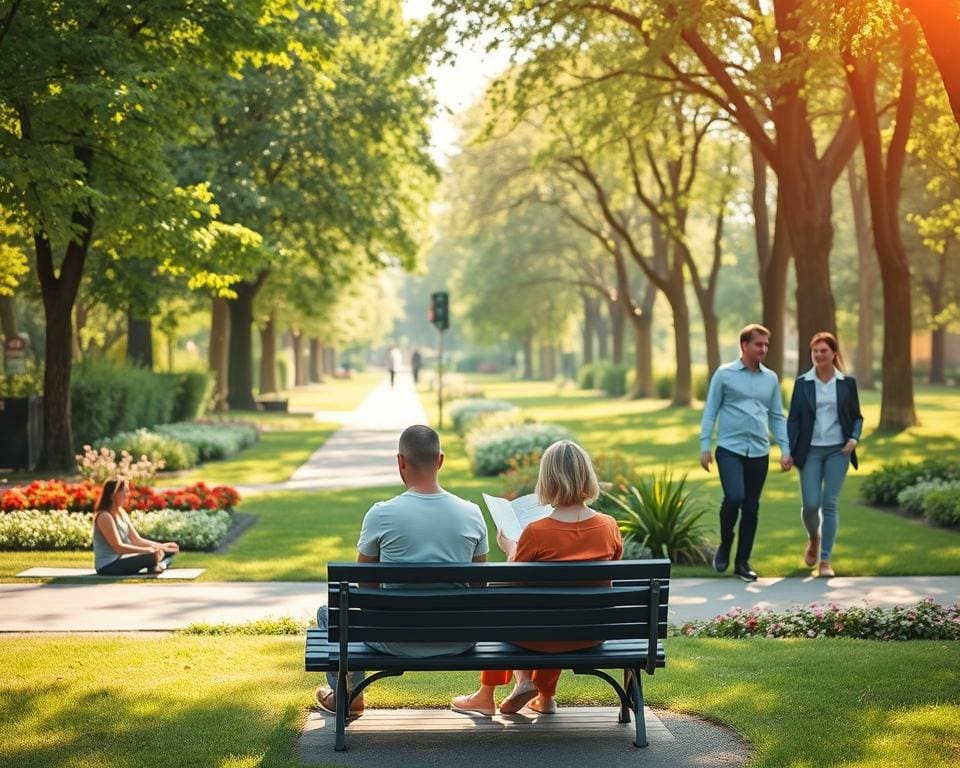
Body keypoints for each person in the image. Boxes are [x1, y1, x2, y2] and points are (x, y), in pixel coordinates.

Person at [314, 424, 488, 718]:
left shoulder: (381, 514)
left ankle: (349, 696)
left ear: (401, 462)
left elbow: (365, 590)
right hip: (458, 639)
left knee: (327, 613)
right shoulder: (471, 513)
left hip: (394, 640)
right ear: (441, 461)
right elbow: (478, 588)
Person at [451, 440, 622, 717]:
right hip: (591, 632)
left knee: (521, 609)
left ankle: (490, 694)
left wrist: (510, 550)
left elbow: (511, 582)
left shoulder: (537, 531)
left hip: (540, 635)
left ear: (547, 480)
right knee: (562, 609)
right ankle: (545, 697)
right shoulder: (608, 526)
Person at [699, 324, 792, 582]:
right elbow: (711, 411)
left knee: (751, 507)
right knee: (734, 497)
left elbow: (776, 415)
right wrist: (705, 446)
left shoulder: (771, 379)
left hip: (759, 451)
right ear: (744, 345)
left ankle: (742, 562)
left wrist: (785, 449)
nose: (763, 349)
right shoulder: (724, 374)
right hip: (730, 448)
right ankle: (726, 542)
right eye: (758, 344)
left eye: (766, 345)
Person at [787, 332, 863, 578]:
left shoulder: (846, 383)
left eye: (824, 351)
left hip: (837, 451)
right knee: (810, 504)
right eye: (815, 351)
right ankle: (813, 538)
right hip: (809, 451)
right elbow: (794, 420)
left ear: (834, 354)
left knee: (829, 503)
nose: (819, 355)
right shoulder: (803, 383)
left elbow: (856, 417)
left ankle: (825, 561)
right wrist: (788, 450)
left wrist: (854, 438)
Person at [92, 478, 179, 575]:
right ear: (114, 494)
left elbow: (137, 540)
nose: (128, 494)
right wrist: (147, 551)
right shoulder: (104, 516)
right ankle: (159, 565)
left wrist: (163, 546)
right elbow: (118, 547)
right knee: (152, 555)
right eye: (125, 491)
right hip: (108, 566)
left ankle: (157, 565)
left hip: (121, 560)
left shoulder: (121, 513)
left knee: (170, 551)